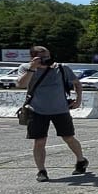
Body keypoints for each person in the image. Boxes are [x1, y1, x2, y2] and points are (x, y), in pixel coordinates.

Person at [16, 45, 89, 182]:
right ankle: (41, 171)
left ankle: (81, 160)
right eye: (43, 57)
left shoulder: (61, 68)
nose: (47, 59)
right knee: (39, 141)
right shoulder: (25, 68)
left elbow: (77, 84)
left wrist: (78, 100)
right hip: (36, 110)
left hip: (60, 109)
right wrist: (33, 68)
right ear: (33, 57)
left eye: (48, 56)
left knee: (68, 138)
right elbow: (20, 84)